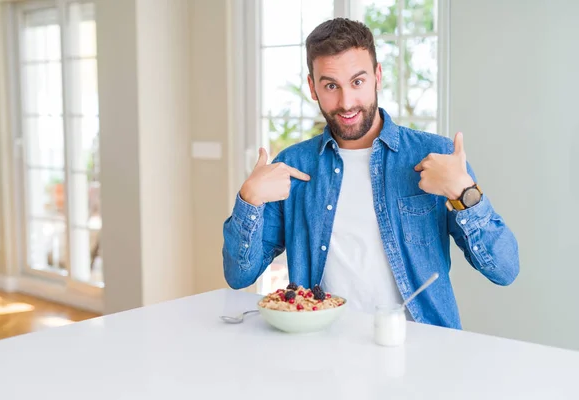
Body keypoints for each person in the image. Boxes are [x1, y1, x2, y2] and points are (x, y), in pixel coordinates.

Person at [222, 18, 519, 329]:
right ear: (313, 88)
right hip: (323, 347)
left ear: (377, 76)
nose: (346, 102)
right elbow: (239, 276)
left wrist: (464, 192)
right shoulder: (295, 165)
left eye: (358, 82)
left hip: (421, 351)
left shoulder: (436, 157)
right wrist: (249, 199)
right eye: (331, 86)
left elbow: (505, 269)